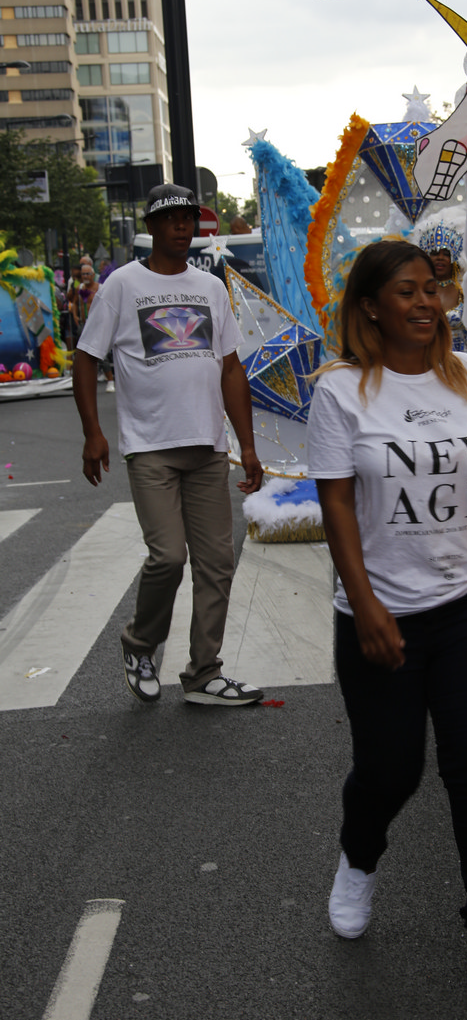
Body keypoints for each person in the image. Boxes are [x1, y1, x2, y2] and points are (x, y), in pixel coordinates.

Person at [306, 238, 467, 986]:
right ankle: (358, 857)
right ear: (370, 306)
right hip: (382, 617)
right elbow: (336, 505)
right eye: (405, 292)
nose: (424, 303)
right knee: (390, 770)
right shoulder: (341, 391)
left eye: (430, 289)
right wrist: (366, 605)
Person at [72, 183, 265, 706]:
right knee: (167, 557)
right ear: (152, 226)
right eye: (171, 219)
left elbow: (231, 369)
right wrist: (93, 431)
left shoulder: (210, 288)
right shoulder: (121, 285)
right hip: (150, 446)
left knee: (217, 563)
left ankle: (204, 673)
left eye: (188, 219)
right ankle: (140, 644)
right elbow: (86, 357)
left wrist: (247, 446)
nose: (182, 227)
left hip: (207, 445)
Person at [417, 220, 467, 352]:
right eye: (435, 253)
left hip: (460, 356)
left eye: (446, 254)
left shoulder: (465, 290)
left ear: (454, 258)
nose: (440, 258)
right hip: (426, 355)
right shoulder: (418, 291)